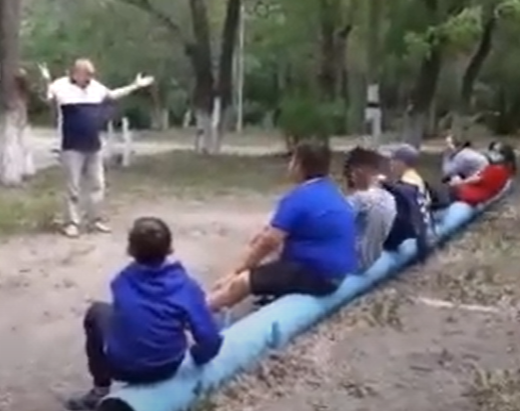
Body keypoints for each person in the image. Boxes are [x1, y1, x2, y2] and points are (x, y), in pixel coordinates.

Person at [67, 217, 223, 410]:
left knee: (97, 312)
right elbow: (210, 340)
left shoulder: (121, 281)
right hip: (168, 366)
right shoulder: (185, 286)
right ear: (169, 248)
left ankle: (100, 389)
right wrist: (198, 357)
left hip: (121, 367)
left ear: (131, 250)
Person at [207, 141, 358, 311]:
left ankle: (203, 310)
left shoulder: (298, 198)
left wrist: (237, 272)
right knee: (269, 249)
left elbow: (269, 242)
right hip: (337, 273)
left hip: (318, 276)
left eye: (293, 160)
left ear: (300, 165)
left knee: (241, 282)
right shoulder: (333, 192)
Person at [39, 59, 155, 238]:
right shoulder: (60, 86)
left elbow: (112, 95)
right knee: (73, 187)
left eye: (91, 75)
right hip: (70, 145)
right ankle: (72, 223)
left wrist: (134, 86)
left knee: (97, 185)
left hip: (93, 145)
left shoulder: (95, 87)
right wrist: (45, 80)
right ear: (76, 73)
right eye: (87, 75)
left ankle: (95, 220)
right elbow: (47, 98)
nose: (90, 78)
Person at [343, 147, 397, 271]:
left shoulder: (358, 200)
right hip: (377, 257)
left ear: (357, 172)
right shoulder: (390, 197)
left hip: (356, 265)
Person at [450, 141, 514, 206]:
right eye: (493, 150)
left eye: (499, 152)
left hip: (473, 197)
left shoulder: (497, 169)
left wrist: (461, 183)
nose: (494, 154)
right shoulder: (501, 169)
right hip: (478, 196)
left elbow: (478, 178)